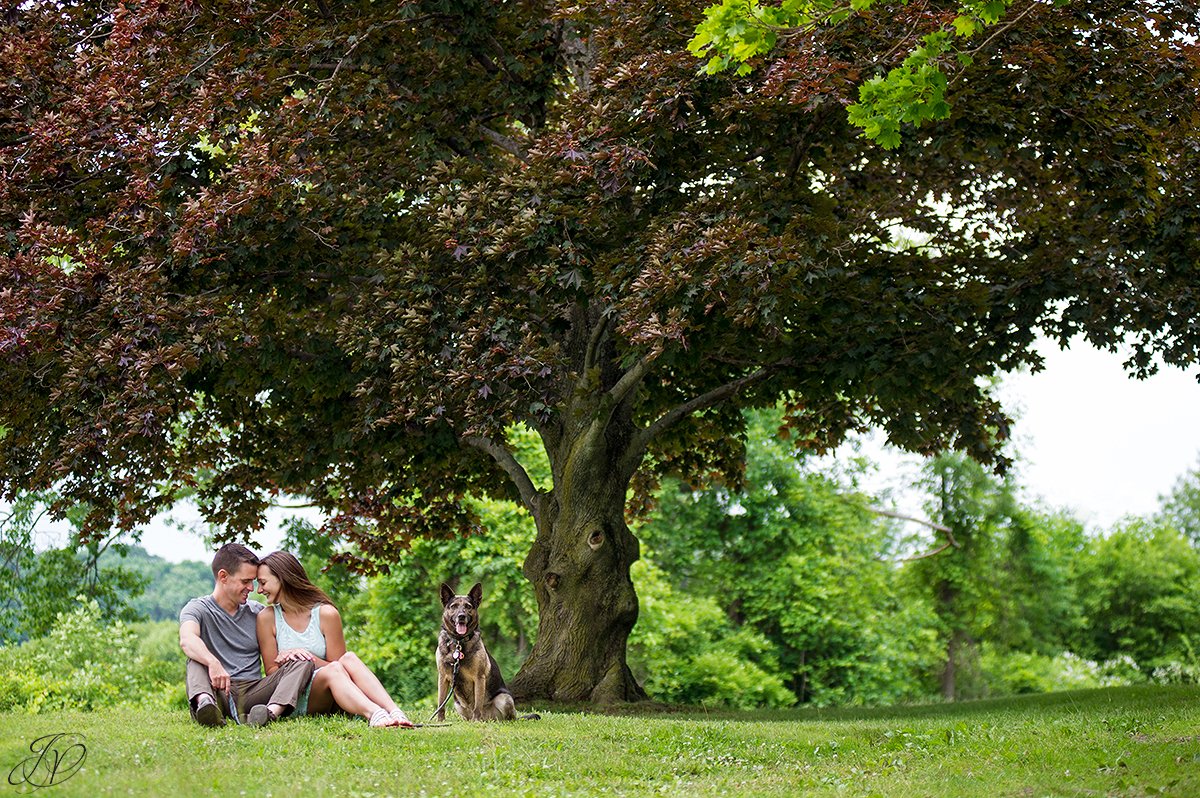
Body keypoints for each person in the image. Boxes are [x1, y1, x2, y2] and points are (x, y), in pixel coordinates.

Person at [256, 550, 414, 728]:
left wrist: (308, 658)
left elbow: (340, 667)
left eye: (262, 583)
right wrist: (293, 660)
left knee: (349, 658)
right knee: (333, 669)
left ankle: (394, 711)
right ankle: (375, 713)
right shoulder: (267, 618)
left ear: (283, 578)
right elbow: (271, 671)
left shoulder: (326, 614)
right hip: (293, 696)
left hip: (332, 690)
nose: (259, 590)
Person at [180, 543, 314, 727]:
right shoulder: (197, 609)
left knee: (303, 661)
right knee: (195, 659)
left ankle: (269, 713)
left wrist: (286, 655)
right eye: (245, 581)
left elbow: (274, 657)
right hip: (216, 689)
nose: (252, 588)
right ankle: (206, 706)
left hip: (253, 693)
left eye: (253, 581)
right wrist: (213, 663)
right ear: (223, 576)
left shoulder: (258, 613)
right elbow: (187, 639)